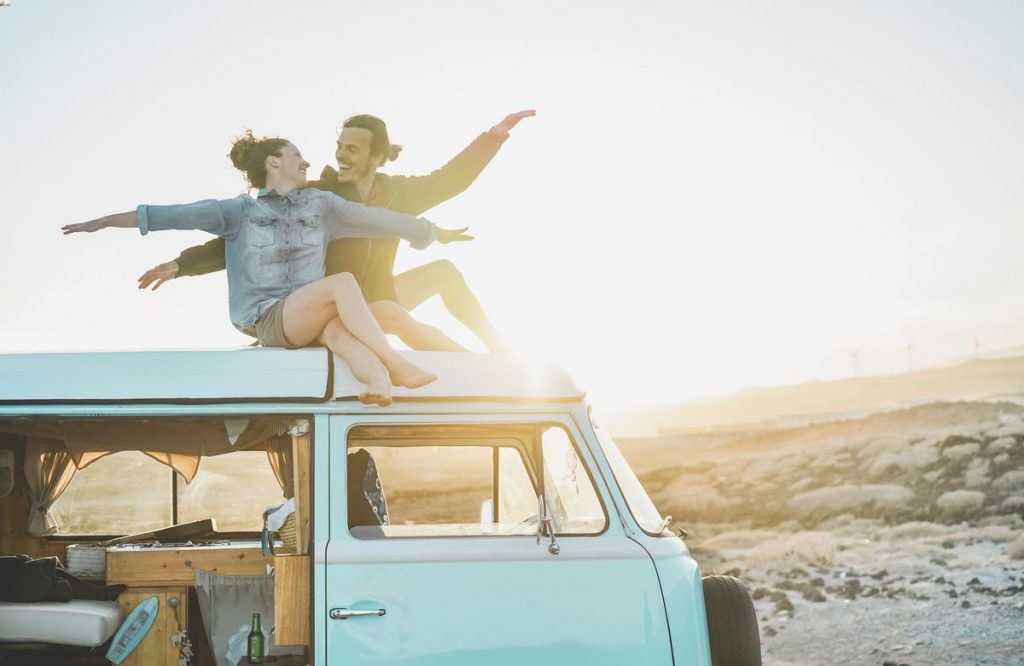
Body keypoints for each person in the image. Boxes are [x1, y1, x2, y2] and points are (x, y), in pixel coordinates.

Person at [62, 133, 472, 406]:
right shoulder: (239, 212)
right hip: (266, 318)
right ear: (275, 162)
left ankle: (378, 383)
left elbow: (382, 220)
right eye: (297, 156)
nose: (307, 161)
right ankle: (394, 362)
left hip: (306, 315)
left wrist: (431, 231)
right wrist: (100, 222)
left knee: (341, 334)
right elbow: (167, 215)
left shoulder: (322, 206)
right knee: (344, 285)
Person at [138, 111, 535, 353]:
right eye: (340, 146)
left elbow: (452, 181)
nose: (341, 156)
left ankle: (499, 356)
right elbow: (250, 234)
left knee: (444, 273)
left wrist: (494, 136)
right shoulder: (318, 195)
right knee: (395, 317)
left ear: (377, 157)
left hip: (380, 295)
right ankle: (467, 373)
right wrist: (181, 265)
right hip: (334, 308)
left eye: (353, 149)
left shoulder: (401, 193)